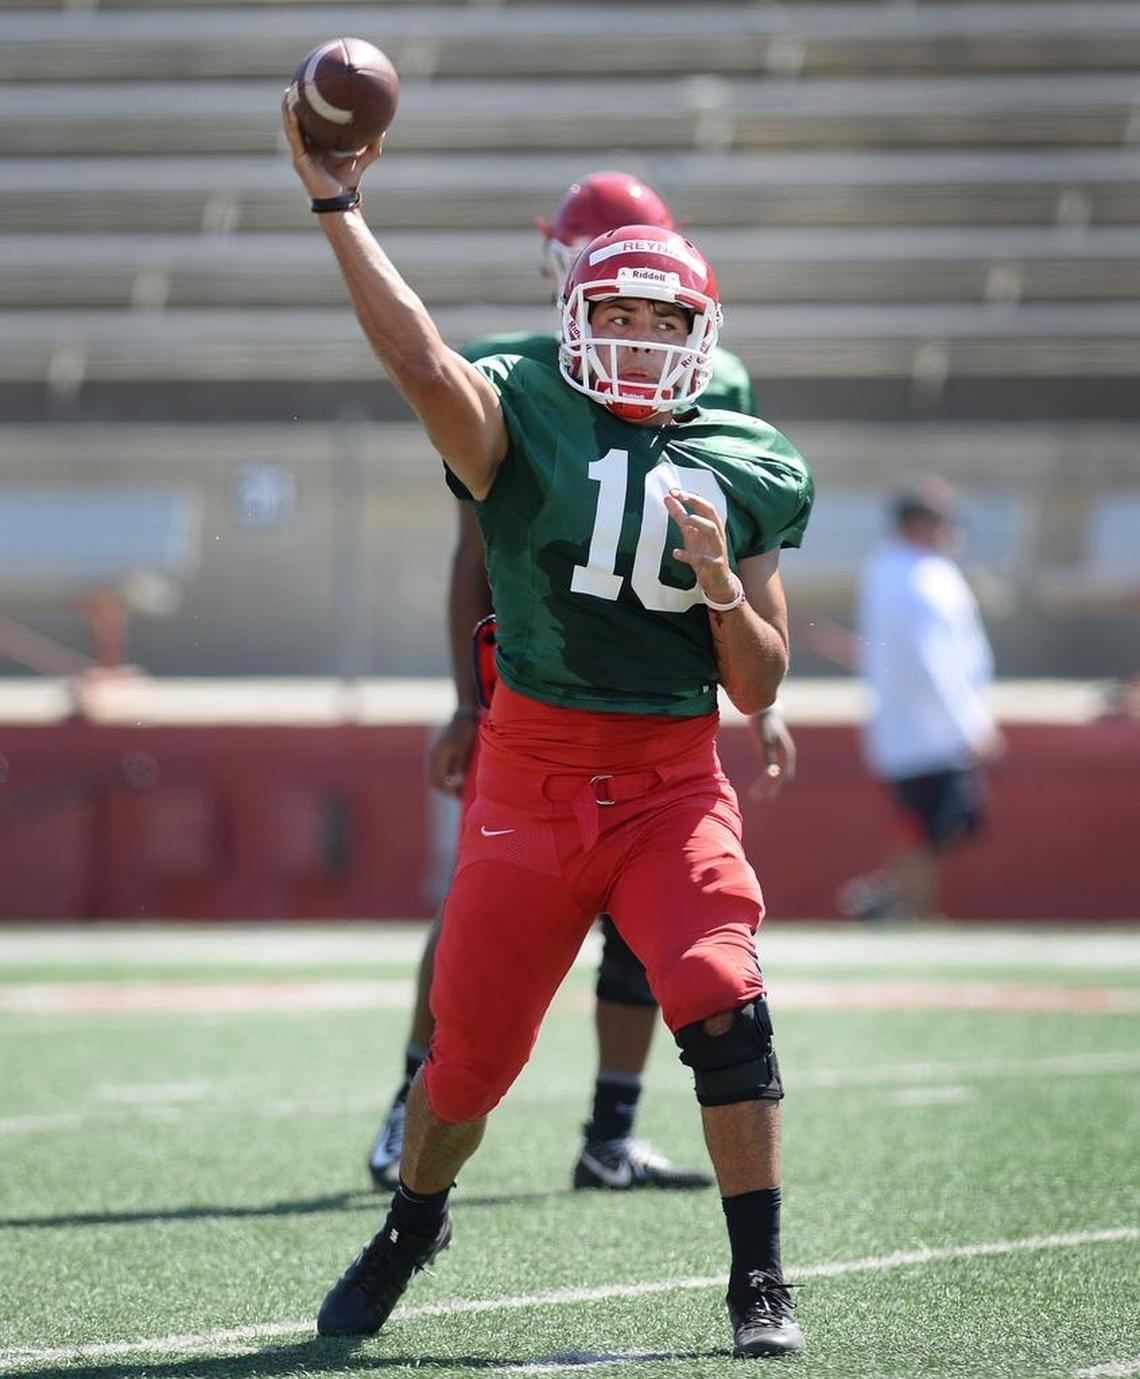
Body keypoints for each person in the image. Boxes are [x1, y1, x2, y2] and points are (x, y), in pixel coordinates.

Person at [283, 101, 813, 1359]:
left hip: (671, 774)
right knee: (465, 1066)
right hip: (531, 768)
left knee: (723, 993)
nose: (634, 339)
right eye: (614, 314)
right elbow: (421, 364)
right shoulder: (521, 407)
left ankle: (759, 1275)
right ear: (577, 316)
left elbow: (759, 677)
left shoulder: (747, 457)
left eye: (660, 320)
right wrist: (337, 206)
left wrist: (725, 586)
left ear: (702, 338)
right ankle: (415, 1220)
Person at [367, 170, 797, 1198]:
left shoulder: (721, 385)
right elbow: (476, 550)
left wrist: (765, 693)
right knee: (487, 905)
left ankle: (610, 1127)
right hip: (537, 702)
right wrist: (469, 700)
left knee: (663, 924)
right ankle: (410, 1098)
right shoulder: (516, 376)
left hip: (660, 705)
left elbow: (742, 552)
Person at [838, 477, 1004, 921]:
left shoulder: (901, 568)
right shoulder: (915, 577)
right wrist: (970, 723)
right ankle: (907, 907)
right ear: (916, 522)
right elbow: (933, 661)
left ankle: (899, 903)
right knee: (923, 829)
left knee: (931, 827)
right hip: (926, 728)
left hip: (914, 727)